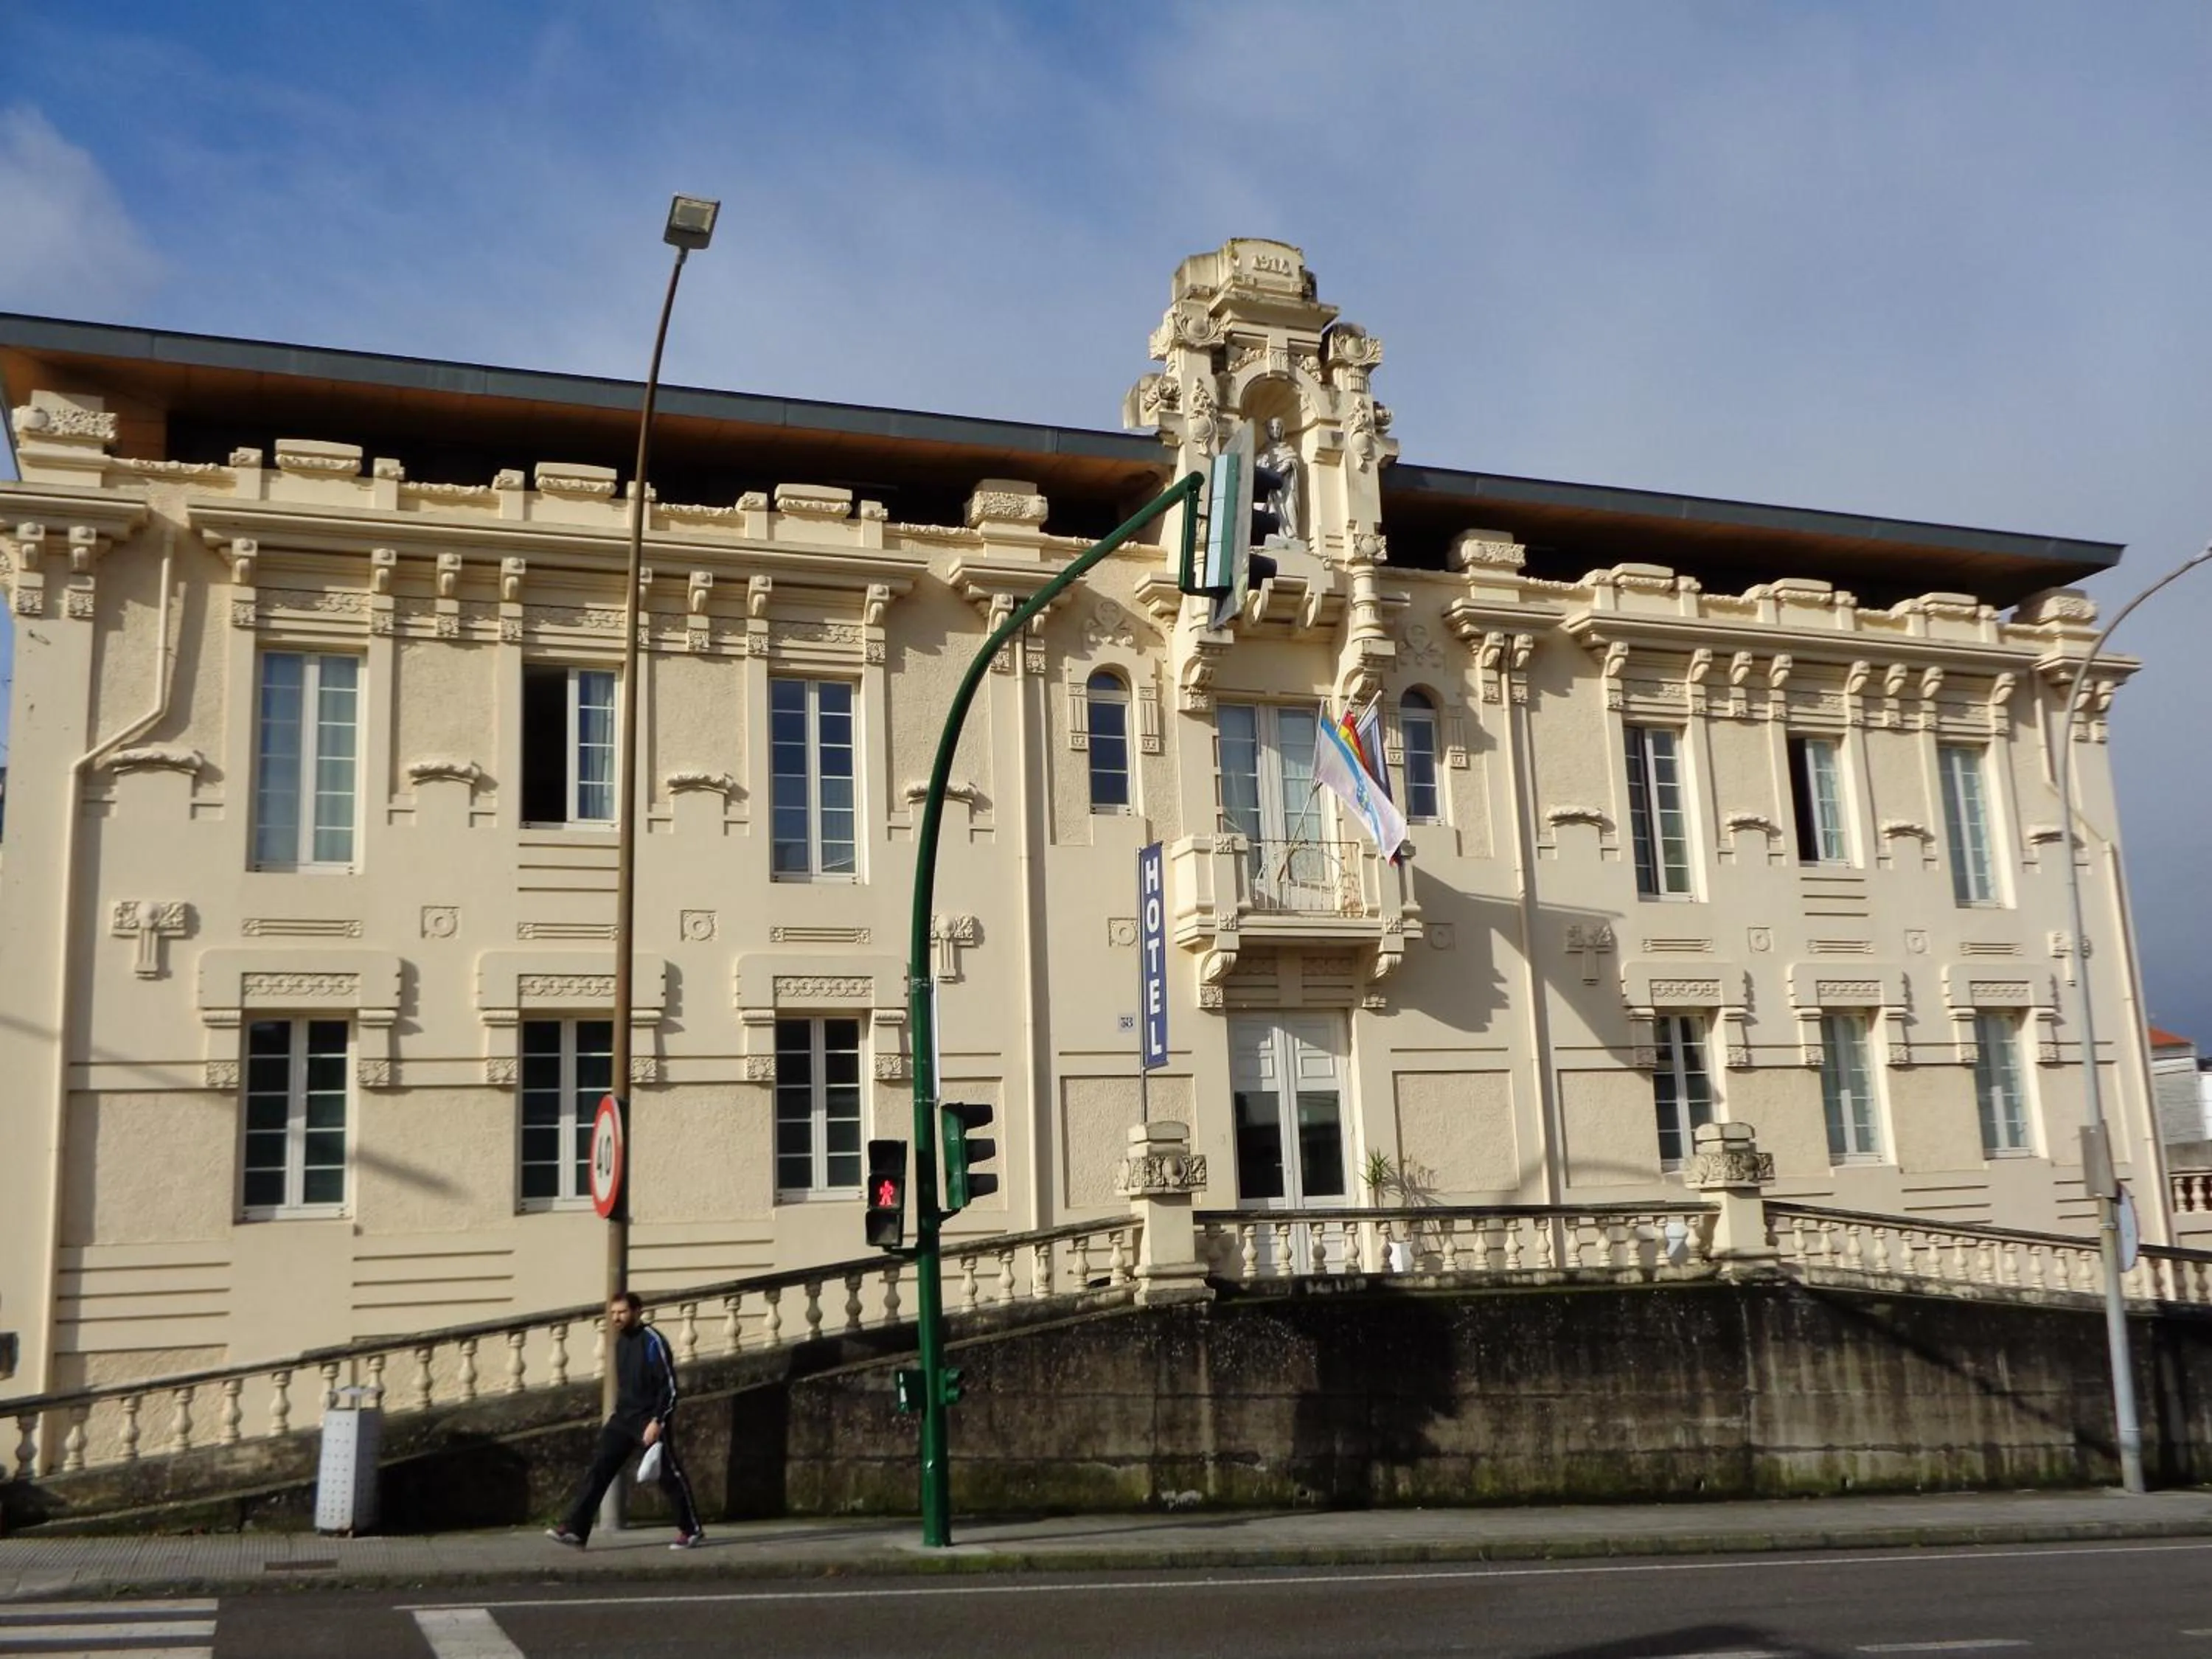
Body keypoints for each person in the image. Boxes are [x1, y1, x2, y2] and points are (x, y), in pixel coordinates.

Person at [546, 1291, 704, 1550]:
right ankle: (575, 1529)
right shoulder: (620, 1343)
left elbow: (669, 1387)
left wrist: (657, 1420)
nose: (617, 1318)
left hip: (648, 1418)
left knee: (667, 1474)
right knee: (600, 1469)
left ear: (637, 1311)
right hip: (622, 1418)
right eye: (613, 1314)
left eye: (622, 1312)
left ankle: (691, 1529)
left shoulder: (652, 1341)